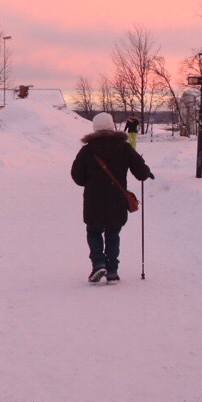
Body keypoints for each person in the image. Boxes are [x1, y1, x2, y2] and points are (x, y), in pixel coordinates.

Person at [71, 112, 154, 283]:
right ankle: (112, 272)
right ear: (111, 126)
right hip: (116, 200)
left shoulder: (87, 150)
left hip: (93, 201)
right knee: (112, 233)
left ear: (95, 128)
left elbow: (77, 177)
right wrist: (146, 173)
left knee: (93, 232)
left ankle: (98, 264)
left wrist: (91, 180)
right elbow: (140, 172)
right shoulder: (124, 147)